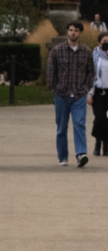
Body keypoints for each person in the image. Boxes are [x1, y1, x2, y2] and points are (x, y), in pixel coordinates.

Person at [46, 20, 95, 167]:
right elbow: (51, 71)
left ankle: (81, 154)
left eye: (76, 30)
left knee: (79, 124)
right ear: (67, 31)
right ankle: (63, 157)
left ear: (80, 33)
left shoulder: (86, 52)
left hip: (79, 95)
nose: (73, 33)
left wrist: (86, 88)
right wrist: (54, 88)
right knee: (61, 127)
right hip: (62, 94)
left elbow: (90, 73)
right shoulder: (57, 50)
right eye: (71, 30)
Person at [93, 32, 108, 156]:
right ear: (99, 43)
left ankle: (106, 146)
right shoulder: (95, 55)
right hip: (98, 91)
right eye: (104, 41)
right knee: (100, 117)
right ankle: (98, 142)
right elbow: (91, 74)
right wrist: (89, 93)